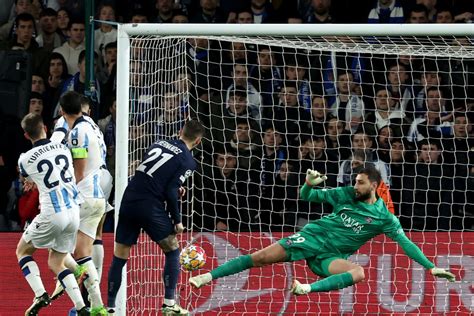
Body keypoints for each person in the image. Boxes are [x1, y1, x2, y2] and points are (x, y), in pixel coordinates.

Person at [189, 166, 455, 295]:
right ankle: (206, 278)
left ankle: (305, 288)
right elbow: (308, 196)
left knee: (358, 272)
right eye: (355, 181)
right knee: (259, 258)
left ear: (374, 185)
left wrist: (430, 266)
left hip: (330, 255)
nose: (355, 185)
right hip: (312, 236)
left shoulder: (385, 218)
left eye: (360, 183)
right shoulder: (344, 194)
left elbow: (406, 244)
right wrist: (307, 183)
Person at [107, 119, 205, 315]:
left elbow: (157, 175)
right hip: (150, 206)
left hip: (129, 199)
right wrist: (177, 220)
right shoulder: (188, 161)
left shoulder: (158, 143)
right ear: (198, 142)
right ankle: (169, 303)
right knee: (172, 250)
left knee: (119, 257)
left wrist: (175, 188)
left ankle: (110, 307)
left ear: (180, 131)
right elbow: (169, 189)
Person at [15, 113, 88, 315]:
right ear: (45, 127)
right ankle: (81, 307)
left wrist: (29, 180)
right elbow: (61, 130)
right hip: (74, 212)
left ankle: (40, 293)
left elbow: (26, 177)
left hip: (52, 213)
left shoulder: (25, 159)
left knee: (23, 251)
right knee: (56, 262)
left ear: (25, 135)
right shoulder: (62, 146)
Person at [55, 91, 108, 315]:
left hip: (84, 194)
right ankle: (97, 306)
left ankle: (73, 283)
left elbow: (79, 167)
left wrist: (69, 194)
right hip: (100, 191)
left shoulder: (77, 132)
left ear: (61, 111)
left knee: (55, 245)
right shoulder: (93, 126)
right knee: (85, 250)